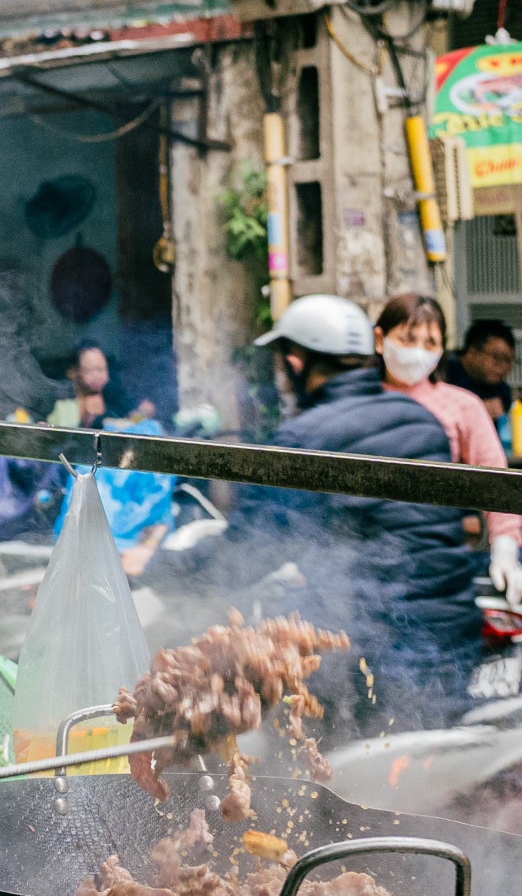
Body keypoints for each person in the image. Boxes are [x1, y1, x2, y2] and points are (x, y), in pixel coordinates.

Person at [142, 294, 485, 729]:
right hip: (454, 635)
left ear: (297, 362)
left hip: (377, 652)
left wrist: (150, 569)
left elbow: (240, 558)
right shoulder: (419, 419)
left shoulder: (304, 439)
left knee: (336, 782)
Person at [374, 293, 522, 603]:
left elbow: (497, 483)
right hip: (371, 559)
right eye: (408, 339)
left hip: (441, 557)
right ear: (380, 340)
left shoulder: (462, 406)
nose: (418, 352)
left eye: (430, 343)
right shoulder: (357, 402)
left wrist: (505, 551)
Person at [41, 340, 153, 428]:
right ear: (72, 372)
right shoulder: (63, 405)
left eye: (101, 369)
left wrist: (142, 412)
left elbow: (132, 418)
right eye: (90, 370)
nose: (97, 375)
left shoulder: (115, 399)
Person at [443, 318, 517, 429]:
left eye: (508, 360)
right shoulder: (443, 374)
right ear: (472, 352)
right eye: (496, 357)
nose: (502, 366)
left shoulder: (500, 389)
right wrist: (475, 411)